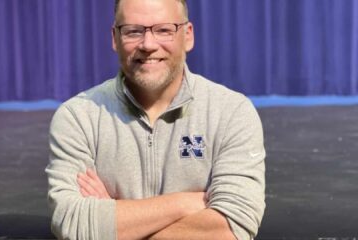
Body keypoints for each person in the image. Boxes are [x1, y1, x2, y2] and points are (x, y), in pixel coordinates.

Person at [45, 0, 266, 239]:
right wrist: (187, 204)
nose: (148, 44)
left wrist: (114, 221)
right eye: (133, 31)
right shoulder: (79, 117)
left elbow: (234, 224)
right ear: (114, 38)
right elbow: (73, 224)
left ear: (188, 36)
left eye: (164, 30)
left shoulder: (231, 112)